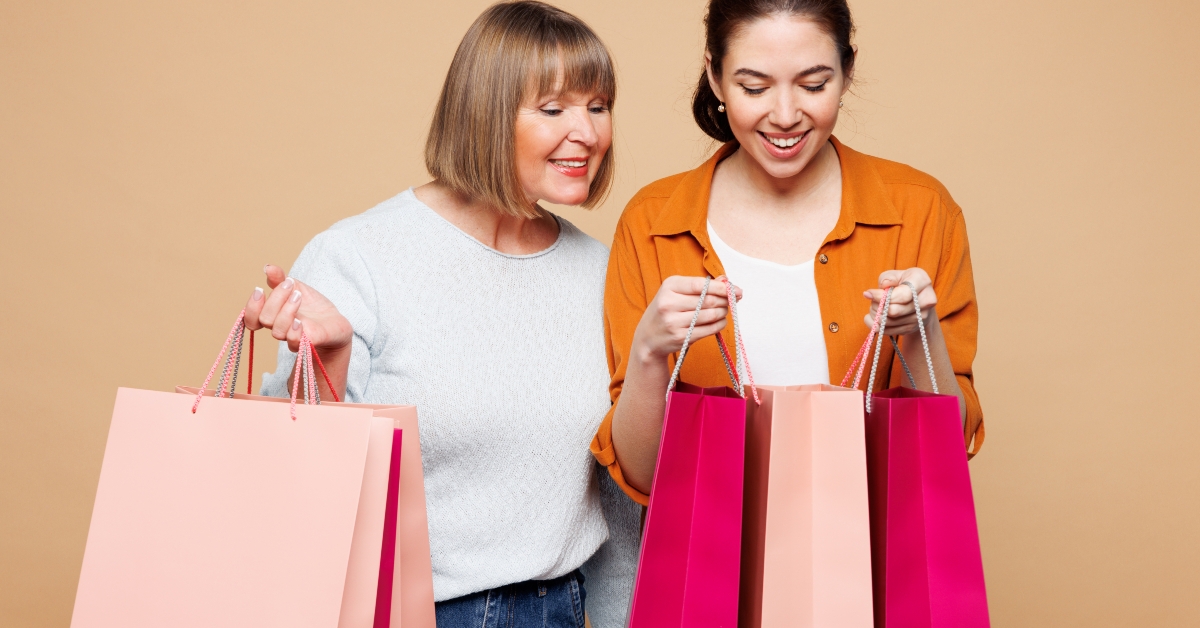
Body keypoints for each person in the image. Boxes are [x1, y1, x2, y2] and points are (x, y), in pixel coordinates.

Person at [241, 3, 639, 626]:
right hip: (411, 613)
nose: (586, 132)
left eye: (598, 105)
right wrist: (333, 361)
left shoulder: (602, 272)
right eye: (554, 108)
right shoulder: (359, 257)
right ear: (486, 113)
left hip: (564, 609)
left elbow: (617, 497)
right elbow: (290, 480)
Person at [591, 0, 986, 505]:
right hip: (709, 574)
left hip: (872, 571)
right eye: (754, 87)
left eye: (813, 85)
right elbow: (644, 479)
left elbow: (945, 451)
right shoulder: (651, 224)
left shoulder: (922, 212)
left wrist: (920, 331)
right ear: (713, 76)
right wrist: (648, 351)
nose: (784, 116)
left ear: (848, 71)